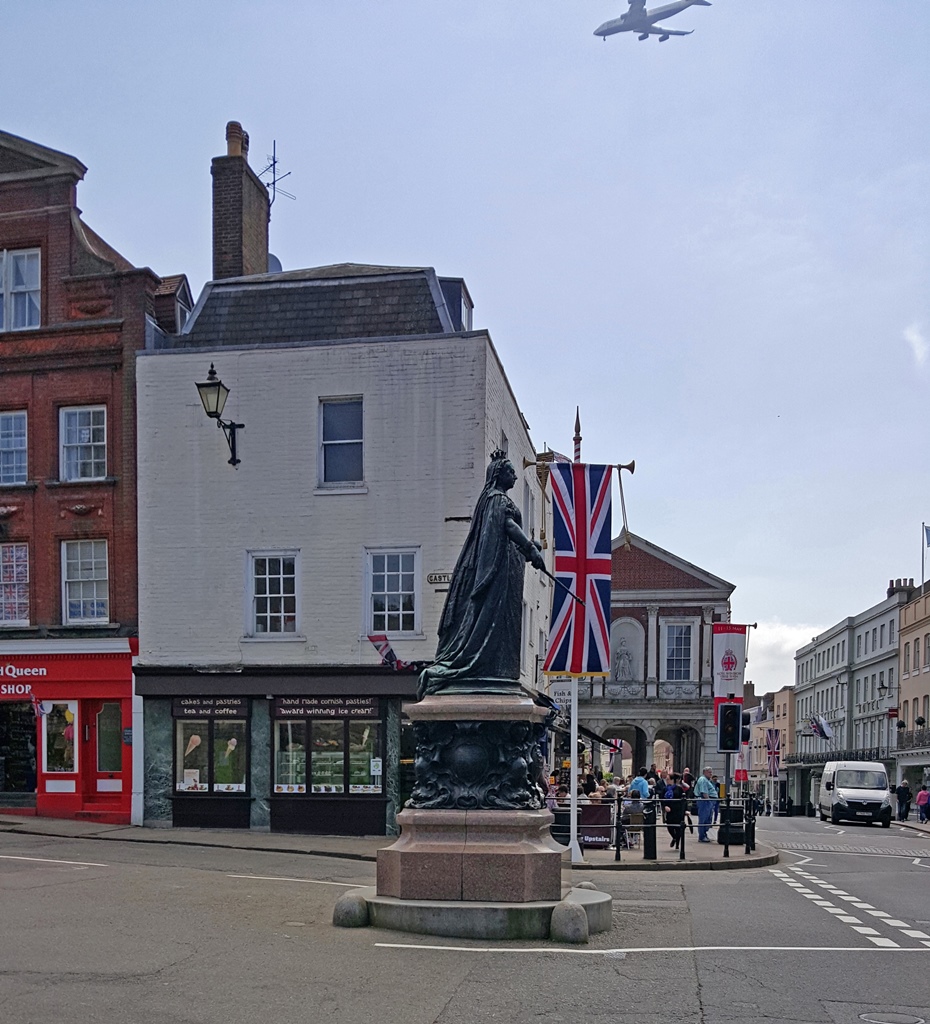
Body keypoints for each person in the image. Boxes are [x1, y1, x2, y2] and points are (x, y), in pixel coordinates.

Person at [418, 450, 546, 699]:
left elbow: (510, 532)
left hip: (505, 574)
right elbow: (508, 526)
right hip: (496, 576)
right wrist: (530, 549)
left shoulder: (491, 500)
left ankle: (492, 666)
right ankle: (478, 664)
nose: (515, 478)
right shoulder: (497, 500)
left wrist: (529, 546)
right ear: (499, 474)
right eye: (512, 472)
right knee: (489, 620)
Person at [694, 766, 718, 842]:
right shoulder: (703, 780)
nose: (711, 773)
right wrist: (708, 800)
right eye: (709, 772)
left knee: (707, 819)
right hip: (705, 801)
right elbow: (704, 792)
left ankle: (704, 835)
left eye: (711, 772)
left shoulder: (706, 780)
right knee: (704, 818)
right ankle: (702, 836)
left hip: (708, 801)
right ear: (704, 772)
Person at [662, 773, 686, 849]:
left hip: (678, 810)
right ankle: (674, 837)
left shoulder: (679, 788)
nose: (667, 780)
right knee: (669, 825)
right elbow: (662, 799)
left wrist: (686, 810)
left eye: (668, 779)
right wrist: (665, 806)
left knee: (678, 827)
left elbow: (684, 800)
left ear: (673, 780)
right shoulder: (665, 789)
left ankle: (678, 844)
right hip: (669, 810)